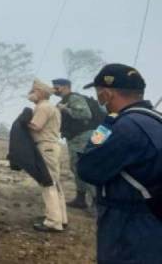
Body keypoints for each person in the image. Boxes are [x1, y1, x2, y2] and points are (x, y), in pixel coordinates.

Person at [77, 64, 162, 263]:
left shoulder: (124, 127)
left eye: (99, 95)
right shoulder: (156, 120)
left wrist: (106, 123)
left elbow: (87, 168)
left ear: (107, 94)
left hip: (130, 225)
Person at [27, 79, 68, 232]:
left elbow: (35, 126)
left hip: (45, 147)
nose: (31, 94)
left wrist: (24, 122)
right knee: (55, 183)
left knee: (47, 183)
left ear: (40, 93)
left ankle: (52, 222)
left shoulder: (43, 107)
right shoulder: (51, 107)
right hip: (52, 147)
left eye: (33, 91)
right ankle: (61, 218)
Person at [51, 78, 96, 209]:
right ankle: (81, 199)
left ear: (65, 87)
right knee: (75, 168)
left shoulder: (74, 98)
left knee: (85, 168)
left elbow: (85, 114)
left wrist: (66, 110)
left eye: (57, 87)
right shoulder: (64, 101)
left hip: (83, 137)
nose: (54, 90)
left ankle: (96, 201)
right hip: (74, 139)